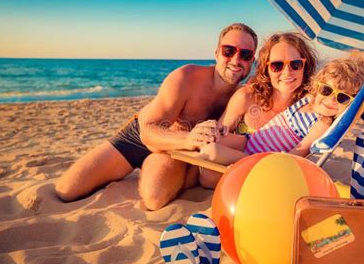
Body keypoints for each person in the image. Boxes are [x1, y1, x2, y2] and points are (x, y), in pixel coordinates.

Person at [54, 23, 258, 210]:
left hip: (178, 151)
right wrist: (188, 138)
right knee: (67, 189)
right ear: (216, 53)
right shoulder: (186, 77)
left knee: (155, 197)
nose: (236, 60)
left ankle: (155, 166)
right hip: (141, 135)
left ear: (252, 61)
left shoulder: (243, 97)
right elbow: (148, 130)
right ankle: (152, 165)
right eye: (229, 51)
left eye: (246, 55)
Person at [199, 51, 364, 169]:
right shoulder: (308, 99)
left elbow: (301, 151)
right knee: (210, 138)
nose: (331, 100)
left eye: (342, 98)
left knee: (211, 150)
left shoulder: (322, 123)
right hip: (249, 140)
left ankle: (235, 163)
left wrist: (276, 164)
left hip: (262, 158)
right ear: (316, 86)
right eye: (326, 90)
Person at [198, 32, 318, 186]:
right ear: (266, 69)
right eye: (277, 65)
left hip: (274, 178)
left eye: (295, 64)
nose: (287, 72)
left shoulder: (310, 108)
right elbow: (219, 136)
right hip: (237, 170)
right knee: (209, 167)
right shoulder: (246, 97)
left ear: (304, 66)